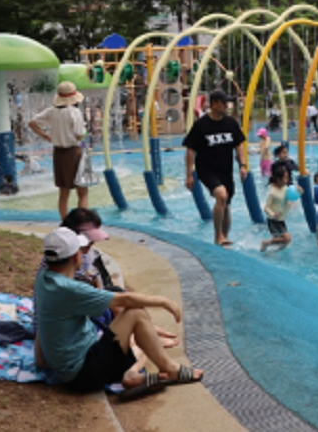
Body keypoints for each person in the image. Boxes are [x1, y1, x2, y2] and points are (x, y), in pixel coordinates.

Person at [34, 228, 202, 397]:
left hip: (73, 368)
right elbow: (125, 300)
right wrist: (163, 301)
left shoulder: (44, 279)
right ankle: (169, 368)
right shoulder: (70, 289)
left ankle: (131, 372)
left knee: (136, 337)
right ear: (76, 256)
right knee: (135, 313)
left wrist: (42, 360)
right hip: (83, 373)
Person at [184, 89, 248, 247]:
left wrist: (243, 165)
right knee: (221, 195)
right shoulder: (201, 125)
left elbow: (239, 145)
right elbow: (190, 150)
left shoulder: (231, 123)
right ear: (213, 104)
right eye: (223, 103)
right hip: (206, 170)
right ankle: (218, 235)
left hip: (226, 170)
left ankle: (223, 239)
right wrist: (189, 175)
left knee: (226, 204)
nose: (227, 105)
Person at [30, 81, 87, 219]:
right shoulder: (75, 112)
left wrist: (46, 136)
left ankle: (65, 222)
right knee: (83, 192)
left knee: (63, 192)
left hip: (59, 153)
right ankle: (81, 222)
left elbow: (32, 123)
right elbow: (79, 134)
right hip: (74, 152)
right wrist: (85, 133)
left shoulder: (51, 112)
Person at [261, 163, 293, 252]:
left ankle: (272, 251)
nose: (287, 180)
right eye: (285, 178)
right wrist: (272, 214)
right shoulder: (272, 192)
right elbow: (266, 208)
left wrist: (299, 192)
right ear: (278, 179)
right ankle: (266, 243)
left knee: (285, 241)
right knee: (287, 238)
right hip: (273, 220)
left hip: (281, 219)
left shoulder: (285, 188)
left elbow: (290, 197)